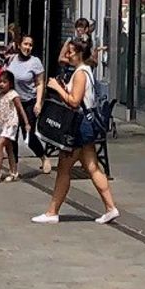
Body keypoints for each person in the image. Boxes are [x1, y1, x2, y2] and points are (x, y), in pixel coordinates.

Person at [30, 39, 118, 225]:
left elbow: (74, 101)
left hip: (77, 128)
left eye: (71, 52)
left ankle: (52, 212)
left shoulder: (80, 74)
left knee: (64, 169)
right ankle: (110, 208)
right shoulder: (85, 71)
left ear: (79, 54)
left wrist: (57, 88)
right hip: (86, 127)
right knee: (92, 167)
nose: (67, 55)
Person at [4, 35, 46, 174]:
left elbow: (40, 83)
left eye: (30, 45)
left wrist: (38, 103)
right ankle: (14, 167)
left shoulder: (35, 62)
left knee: (28, 135)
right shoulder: (12, 60)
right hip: (13, 103)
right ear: (19, 44)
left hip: (29, 102)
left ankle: (43, 157)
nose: (27, 48)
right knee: (12, 136)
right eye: (25, 44)